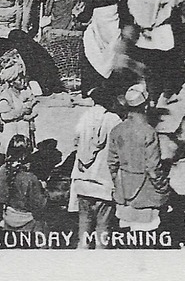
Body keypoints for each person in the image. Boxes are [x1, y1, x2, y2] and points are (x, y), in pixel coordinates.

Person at [107, 81, 169, 234]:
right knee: (146, 239)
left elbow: (112, 164)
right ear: (146, 106)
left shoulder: (117, 130)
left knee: (127, 238)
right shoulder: (149, 132)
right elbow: (153, 169)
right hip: (145, 195)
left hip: (123, 194)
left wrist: (120, 183)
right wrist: (163, 188)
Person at [68, 85, 121, 248]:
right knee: (103, 227)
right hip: (103, 181)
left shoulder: (84, 117)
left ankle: (82, 255)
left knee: (84, 225)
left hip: (83, 180)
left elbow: (76, 141)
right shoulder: (114, 120)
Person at [0, 135, 48, 232]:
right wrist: (42, 188)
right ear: (26, 155)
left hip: (8, 216)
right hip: (27, 222)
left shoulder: (2, 170)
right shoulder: (30, 177)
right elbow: (38, 205)